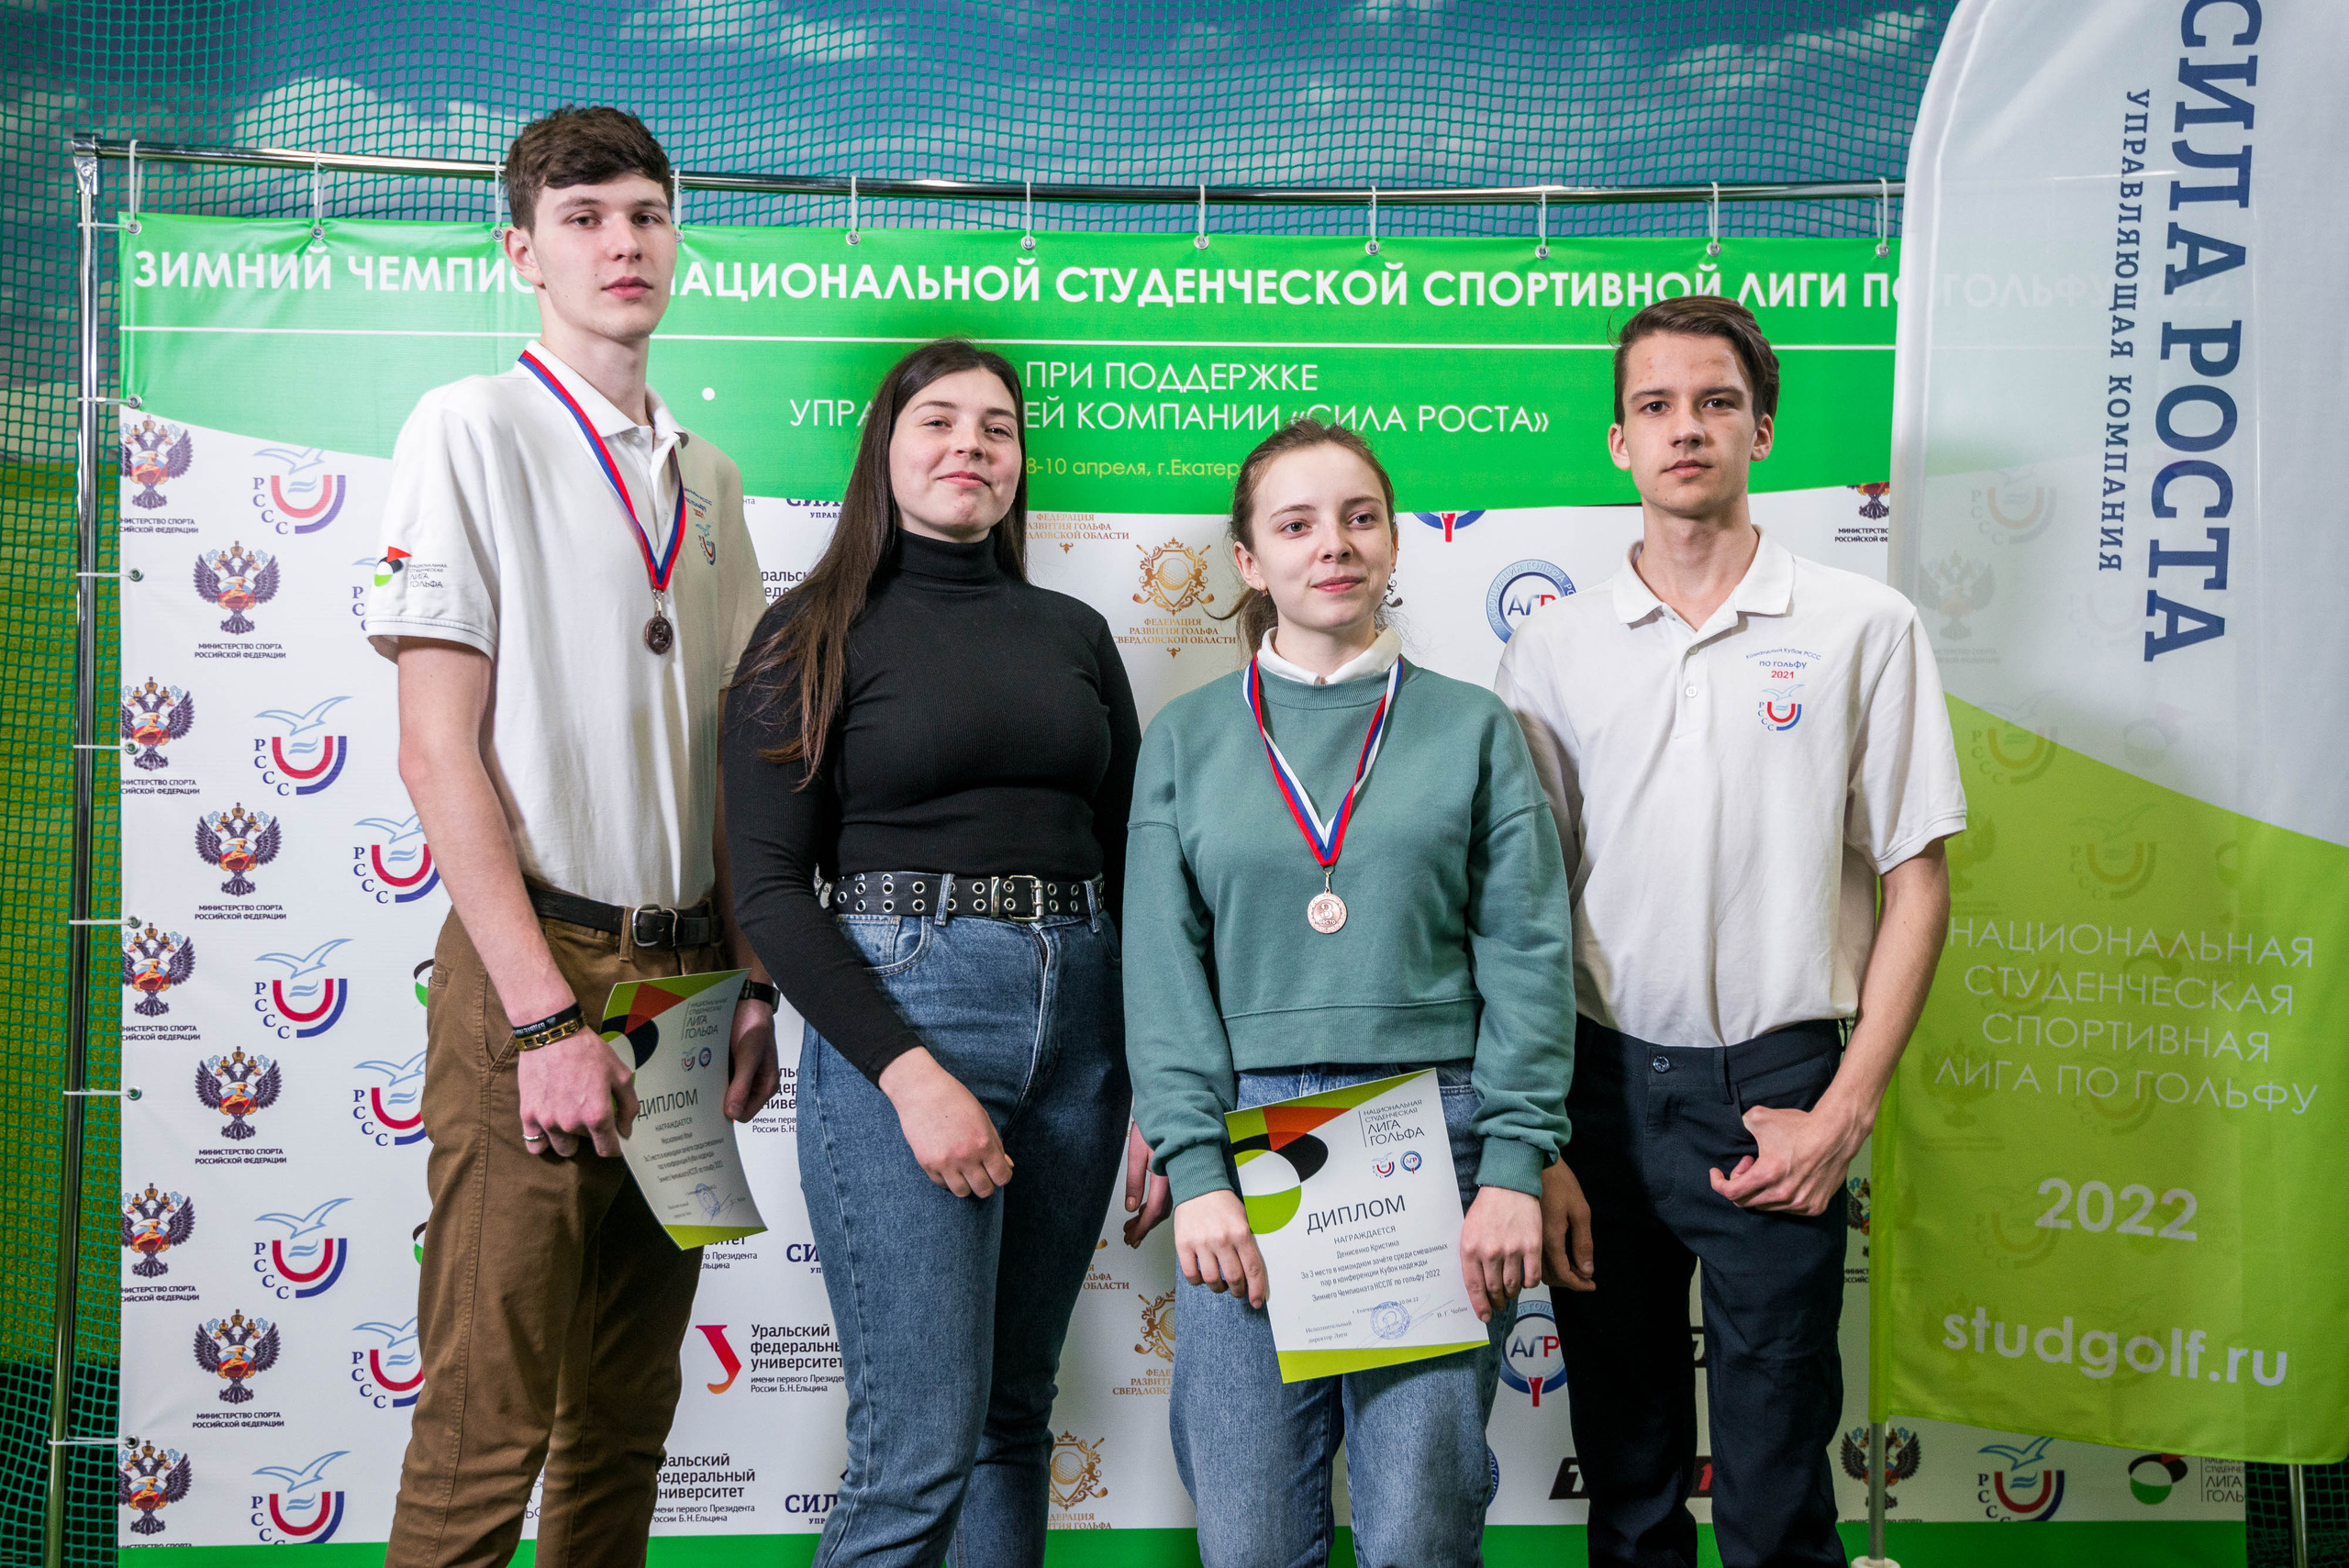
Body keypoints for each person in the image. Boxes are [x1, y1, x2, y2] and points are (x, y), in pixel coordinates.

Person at [364, 106, 781, 1568]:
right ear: (521, 249)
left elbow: (733, 766)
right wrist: (545, 1014)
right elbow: (435, 748)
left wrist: (750, 984)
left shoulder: (713, 481)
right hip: (537, 974)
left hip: (685, 994)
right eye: (588, 216)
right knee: (488, 1424)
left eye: (649, 215)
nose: (624, 242)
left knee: (623, 1422)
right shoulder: (468, 427)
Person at [1494, 294, 1965, 1568]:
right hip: (1597, 1090)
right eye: (1655, 406)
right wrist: (1534, 1133)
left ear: (1761, 426)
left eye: (1714, 402)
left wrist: (1844, 1113)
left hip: (1780, 1087)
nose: (1684, 428)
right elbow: (1521, 910)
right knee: (1632, 1484)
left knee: (1772, 1483)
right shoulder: (1553, 645)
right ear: (1618, 443)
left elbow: (1919, 882)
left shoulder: (1865, 627)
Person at [1120, 420, 1576, 1567]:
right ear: (1247, 559)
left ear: (1390, 541)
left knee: (1422, 1523)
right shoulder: (1184, 740)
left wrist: (1516, 1162)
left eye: (1359, 517)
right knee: (1250, 1534)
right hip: (1246, 1151)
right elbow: (1163, 971)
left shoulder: (1472, 726)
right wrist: (1195, 1169)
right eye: (1296, 523)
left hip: (1439, 1132)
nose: (1334, 544)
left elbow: (1527, 951)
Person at [722, 339, 1141, 1567]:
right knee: (918, 1445)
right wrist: (912, 1073)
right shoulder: (807, 632)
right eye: (939, 422)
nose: (971, 444)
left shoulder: (1074, 629)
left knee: (1015, 1421)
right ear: (885, 454)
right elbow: (768, 888)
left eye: (997, 427)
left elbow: (1127, 855)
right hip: (908, 1011)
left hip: (1085, 1018)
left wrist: (1160, 1071)